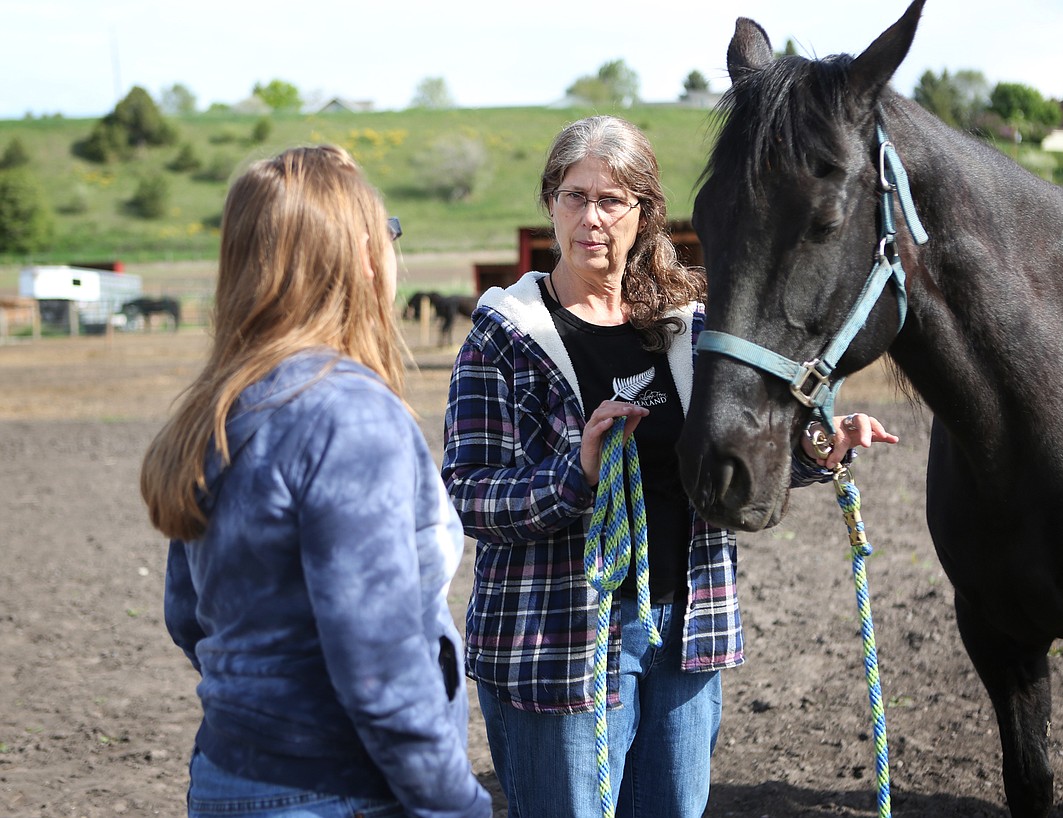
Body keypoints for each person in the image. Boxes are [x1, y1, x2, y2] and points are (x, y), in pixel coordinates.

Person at [441, 115, 898, 818]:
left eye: (612, 199)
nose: (590, 218)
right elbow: (471, 495)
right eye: (572, 196)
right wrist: (579, 473)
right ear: (550, 204)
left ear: (645, 212)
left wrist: (815, 450)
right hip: (559, 645)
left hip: (685, 633)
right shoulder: (504, 338)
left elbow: (731, 452)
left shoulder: (692, 329)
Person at [140, 145, 491, 818]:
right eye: (388, 232)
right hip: (337, 791)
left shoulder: (219, 406)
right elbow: (379, 669)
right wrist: (456, 805)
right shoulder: (350, 416)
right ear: (360, 255)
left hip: (225, 773)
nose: (395, 253)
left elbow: (188, 615)